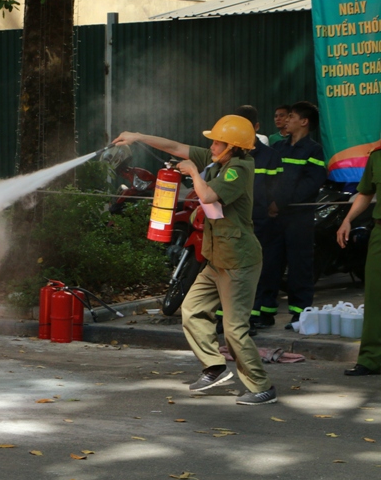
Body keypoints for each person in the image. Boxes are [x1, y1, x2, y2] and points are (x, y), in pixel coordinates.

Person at [112, 115, 276, 405]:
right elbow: (175, 147)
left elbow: (210, 196)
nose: (211, 146)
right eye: (212, 141)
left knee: (235, 331)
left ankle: (262, 386)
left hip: (238, 261)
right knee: (192, 309)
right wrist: (138, 136)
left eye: (218, 142)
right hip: (216, 259)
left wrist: (194, 174)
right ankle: (214, 367)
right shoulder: (218, 161)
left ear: (234, 147)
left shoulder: (239, 168)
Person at [258, 101, 326, 329]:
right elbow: (271, 178)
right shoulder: (280, 148)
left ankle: (300, 316)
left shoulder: (314, 150)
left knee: (300, 266)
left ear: (304, 122)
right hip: (275, 217)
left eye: (292, 117)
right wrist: (270, 203)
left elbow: (310, 184)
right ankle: (265, 312)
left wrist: (281, 203)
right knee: (270, 265)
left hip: (299, 218)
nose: (286, 120)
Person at [233, 105, 282, 332]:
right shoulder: (232, 154)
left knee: (260, 269)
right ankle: (232, 317)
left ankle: (256, 316)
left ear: (257, 127)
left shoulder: (270, 156)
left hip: (262, 221)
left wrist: (273, 207)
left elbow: (275, 189)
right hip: (237, 221)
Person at [338, 145, 381, 375]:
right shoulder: (377, 156)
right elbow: (366, 193)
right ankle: (371, 359)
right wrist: (348, 219)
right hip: (380, 233)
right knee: (375, 295)